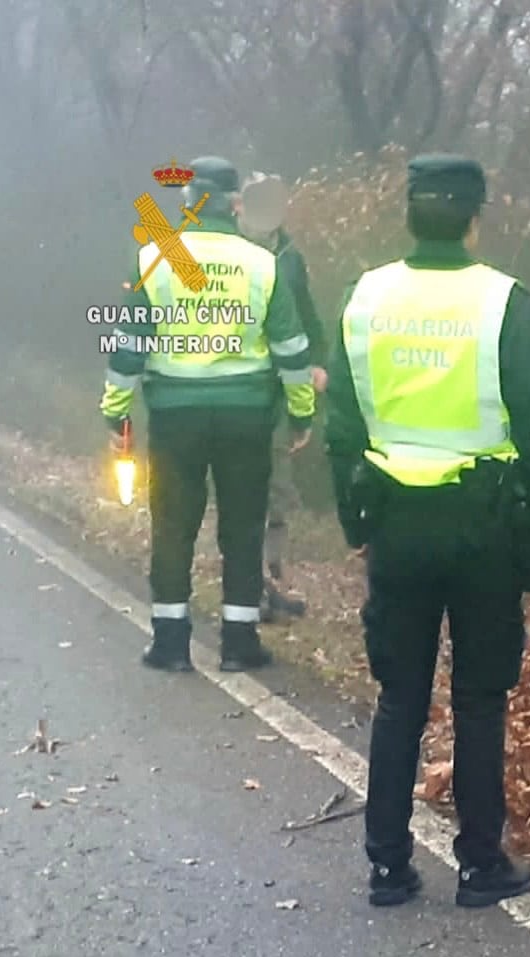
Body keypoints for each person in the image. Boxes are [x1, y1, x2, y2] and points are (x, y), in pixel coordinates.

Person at [322, 153, 530, 909]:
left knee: (400, 694)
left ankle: (388, 867)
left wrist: (354, 519)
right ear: (474, 217)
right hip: (484, 526)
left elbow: (340, 427)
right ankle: (479, 862)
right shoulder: (506, 303)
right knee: (479, 698)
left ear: (409, 213)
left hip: (396, 521)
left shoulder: (364, 298)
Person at [102, 155, 317, 673]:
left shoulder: (155, 257)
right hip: (247, 417)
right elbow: (291, 348)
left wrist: (117, 416)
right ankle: (239, 644)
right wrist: (301, 414)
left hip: (176, 416)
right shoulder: (262, 263)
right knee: (243, 528)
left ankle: (171, 644)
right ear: (236, 204)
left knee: (173, 527)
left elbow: (128, 346)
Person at [238, 171, 327, 623]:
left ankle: (270, 579)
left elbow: (307, 316)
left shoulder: (291, 258)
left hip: (279, 393)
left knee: (278, 489)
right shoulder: (227, 254)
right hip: (233, 390)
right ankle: (248, 587)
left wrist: (319, 362)